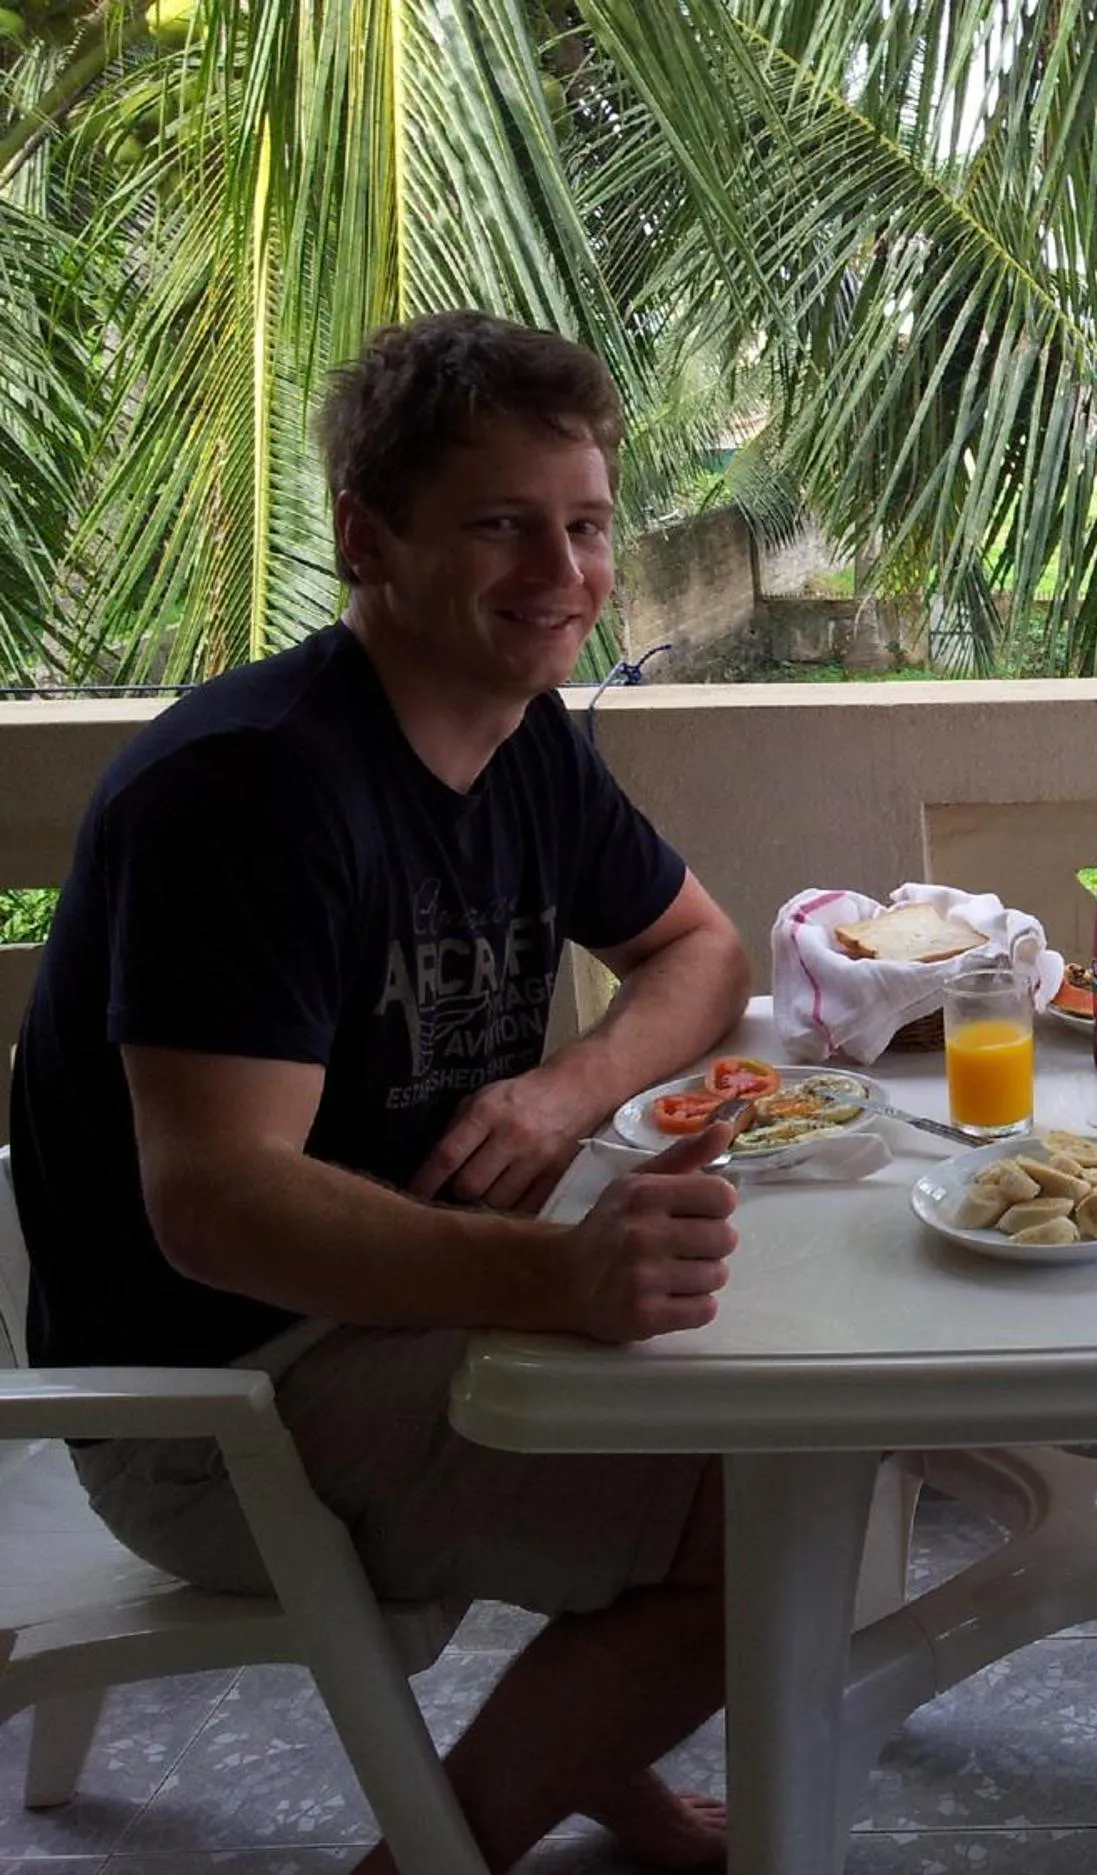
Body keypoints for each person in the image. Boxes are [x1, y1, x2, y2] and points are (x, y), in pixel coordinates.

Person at [7, 311, 757, 1873]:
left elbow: (700, 949)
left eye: (586, 526)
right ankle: (436, 1851)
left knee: (764, 1396)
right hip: (216, 1396)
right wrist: (557, 1273)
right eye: (501, 525)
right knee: (763, 1528)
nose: (562, 574)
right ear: (369, 537)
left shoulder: (525, 742)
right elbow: (217, 1206)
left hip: (396, 1317)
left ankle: (576, 1758)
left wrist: (567, 1090)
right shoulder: (251, 789)